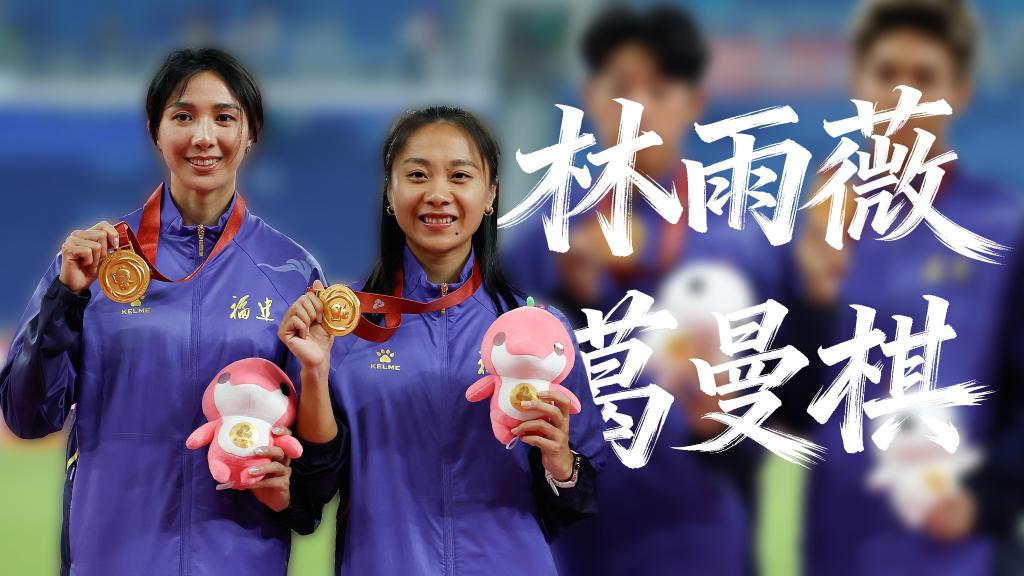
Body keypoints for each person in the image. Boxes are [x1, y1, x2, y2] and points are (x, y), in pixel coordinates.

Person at [0, 48, 325, 575]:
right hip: (113, 557)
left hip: (240, 560)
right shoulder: (97, 261)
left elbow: (317, 447)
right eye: (183, 116)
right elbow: (27, 416)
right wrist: (66, 296)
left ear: (250, 134)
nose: (204, 136)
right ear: (155, 131)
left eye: (224, 117)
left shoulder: (291, 271)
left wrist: (294, 488)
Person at [501, 6, 782, 574]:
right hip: (572, 546)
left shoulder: (740, 246)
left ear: (694, 102)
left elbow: (784, 408)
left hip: (699, 542)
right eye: (622, 87)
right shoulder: (539, 245)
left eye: (658, 89)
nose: (638, 108)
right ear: (591, 96)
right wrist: (572, 298)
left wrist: (729, 416)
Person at [279, 105, 608, 574]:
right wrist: (314, 372)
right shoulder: (341, 329)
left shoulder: (540, 331)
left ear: (490, 194)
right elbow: (311, 495)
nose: (437, 194)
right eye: (417, 175)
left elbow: (582, 497)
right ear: (390, 193)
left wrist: (560, 462)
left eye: (460, 176)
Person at [792, 1, 1024, 574]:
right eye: (886, 74)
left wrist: (986, 501)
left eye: (924, 77)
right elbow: (791, 407)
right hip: (838, 549)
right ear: (857, 85)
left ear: (960, 93)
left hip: (959, 556)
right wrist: (815, 292)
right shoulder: (825, 220)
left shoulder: (1004, 228)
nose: (903, 96)